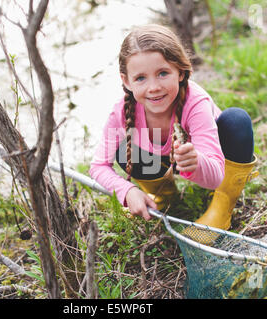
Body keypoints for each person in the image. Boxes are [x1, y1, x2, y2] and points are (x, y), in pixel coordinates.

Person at [89, 24, 257, 231]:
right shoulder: (121, 112)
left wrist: (195, 161)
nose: (154, 87)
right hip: (165, 160)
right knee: (125, 151)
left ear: (180, 71)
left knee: (236, 120)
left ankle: (222, 205)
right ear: (127, 81)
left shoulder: (195, 104)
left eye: (162, 73)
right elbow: (98, 166)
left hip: (208, 160)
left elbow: (215, 177)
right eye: (141, 78)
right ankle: (164, 198)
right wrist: (127, 191)